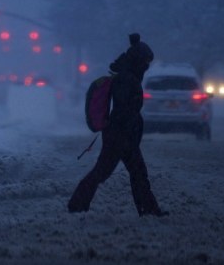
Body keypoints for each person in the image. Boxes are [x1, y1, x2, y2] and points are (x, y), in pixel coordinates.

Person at [67, 33, 168, 217]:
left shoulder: (127, 77)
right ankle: (76, 205)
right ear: (138, 61)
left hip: (123, 135)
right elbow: (125, 110)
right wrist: (130, 131)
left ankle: (149, 209)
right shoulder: (126, 80)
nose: (147, 66)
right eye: (146, 62)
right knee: (104, 172)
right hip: (120, 136)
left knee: (137, 173)